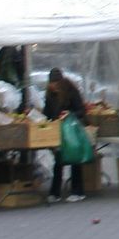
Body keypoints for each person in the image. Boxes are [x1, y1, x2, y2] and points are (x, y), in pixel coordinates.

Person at [44, 68, 89, 201]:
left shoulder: (71, 92)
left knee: (74, 159)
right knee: (58, 161)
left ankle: (78, 191)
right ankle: (55, 192)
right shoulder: (50, 95)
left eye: (56, 84)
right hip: (58, 130)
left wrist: (69, 114)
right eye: (52, 84)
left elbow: (81, 110)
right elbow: (47, 113)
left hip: (72, 130)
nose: (53, 86)